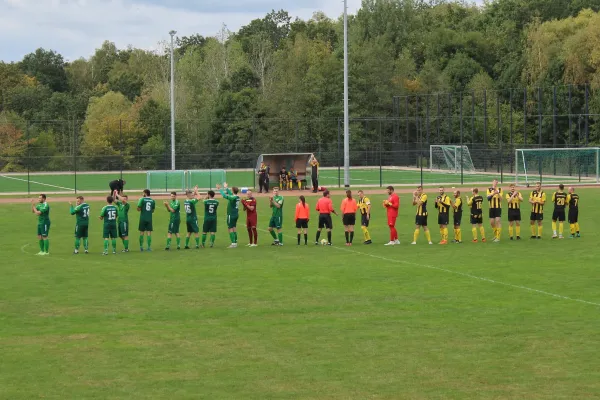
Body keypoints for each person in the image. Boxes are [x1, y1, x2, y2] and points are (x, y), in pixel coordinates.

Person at [217, 182, 240, 248]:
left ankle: (233, 243)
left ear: (233, 190)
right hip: (236, 214)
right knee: (234, 228)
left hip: (231, 215)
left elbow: (224, 196)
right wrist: (226, 188)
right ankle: (235, 242)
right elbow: (230, 194)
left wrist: (219, 189)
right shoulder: (237, 197)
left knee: (230, 228)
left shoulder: (233, 197)